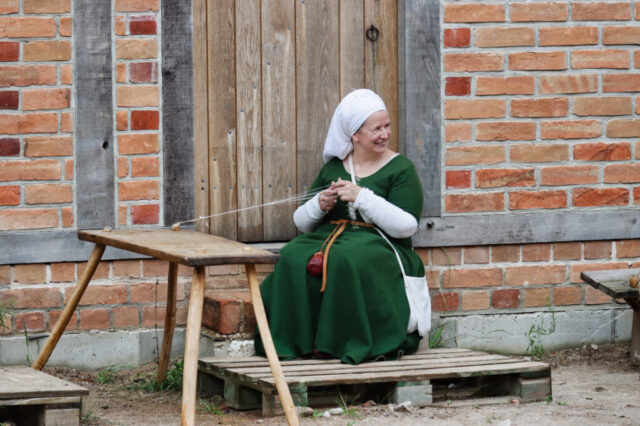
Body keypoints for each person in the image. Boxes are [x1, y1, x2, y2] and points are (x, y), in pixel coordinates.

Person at [255, 89, 430, 365]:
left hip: (381, 243)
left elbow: (406, 226)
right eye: (376, 129)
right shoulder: (335, 168)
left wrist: (363, 197)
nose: (385, 134)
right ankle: (299, 342)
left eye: (387, 126)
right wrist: (319, 205)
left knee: (348, 258)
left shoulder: (400, 168)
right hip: (331, 237)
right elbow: (301, 222)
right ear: (355, 135)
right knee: (291, 256)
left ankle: (345, 343)